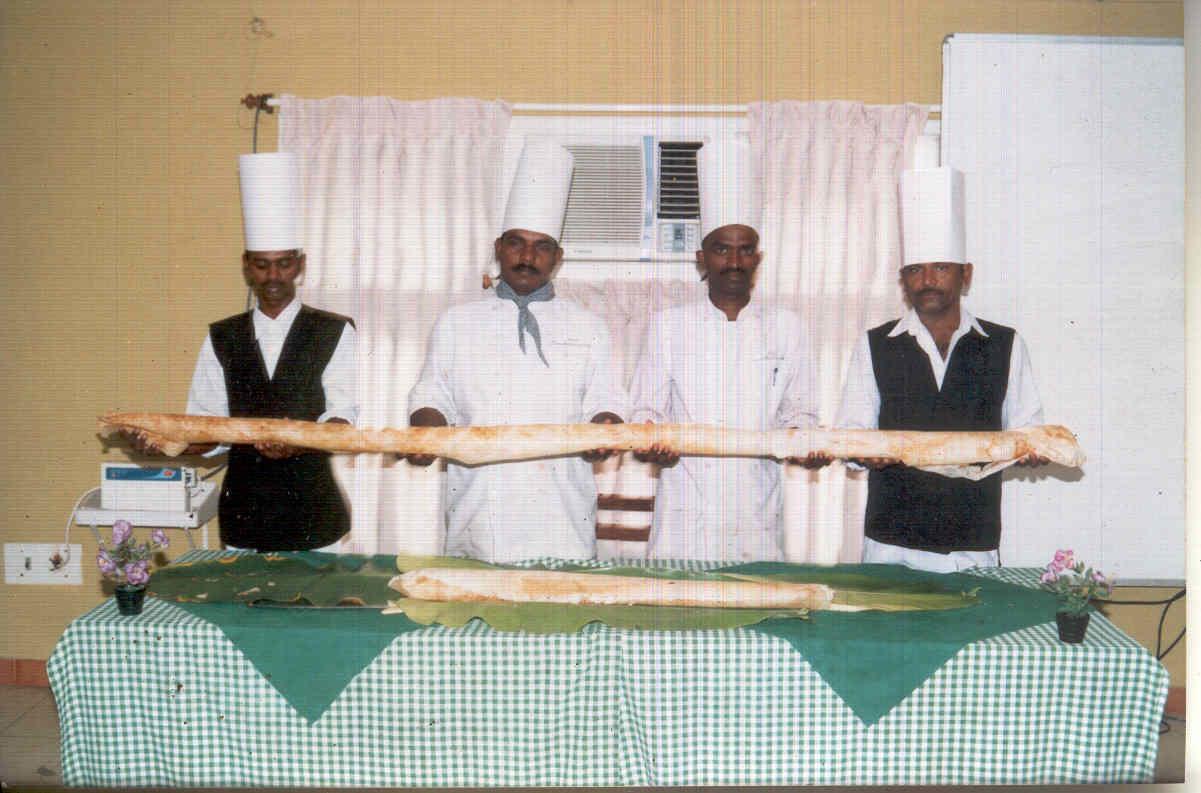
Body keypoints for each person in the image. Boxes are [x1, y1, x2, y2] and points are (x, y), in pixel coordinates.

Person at [405, 139, 627, 563]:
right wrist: (424, 433)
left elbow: (606, 400)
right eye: (516, 243)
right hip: (479, 511)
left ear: (557, 257)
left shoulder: (589, 327)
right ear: (498, 248)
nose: (527, 256)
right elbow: (433, 395)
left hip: (562, 516)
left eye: (542, 246)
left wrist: (605, 429)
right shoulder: (456, 322)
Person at [127, 153, 358, 552]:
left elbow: (342, 421)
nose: (274, 277)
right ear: (247, 266)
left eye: (284, 264)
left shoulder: (333, 331)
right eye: (263, 265)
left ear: (300, 265)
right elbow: (207, 428)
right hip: (244, 516)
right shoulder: (223, 336)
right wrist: (164, 442)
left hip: (315, 516)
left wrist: (297, 441)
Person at [835, 166, 1045, 572]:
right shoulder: (875, 344)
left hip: (972, 545)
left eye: (941, 268)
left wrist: (1030, 449)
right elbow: (852, 433)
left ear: (966, 274)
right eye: (916, 270)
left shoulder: (1005, 344)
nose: (928, 280)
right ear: (903, 280)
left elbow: (1027, 428)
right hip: (890, 545)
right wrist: (864, 452)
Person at [629, 139, 827, 562]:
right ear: (702, 258)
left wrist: (803, 440)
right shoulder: (668, 326)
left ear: (758, 258)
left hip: (756, 516)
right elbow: (646, 410)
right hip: (683, 521)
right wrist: (651, 439)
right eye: (722, 249)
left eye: (745, 249)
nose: (734, 261)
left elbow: (800, 412)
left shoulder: (787, 328)